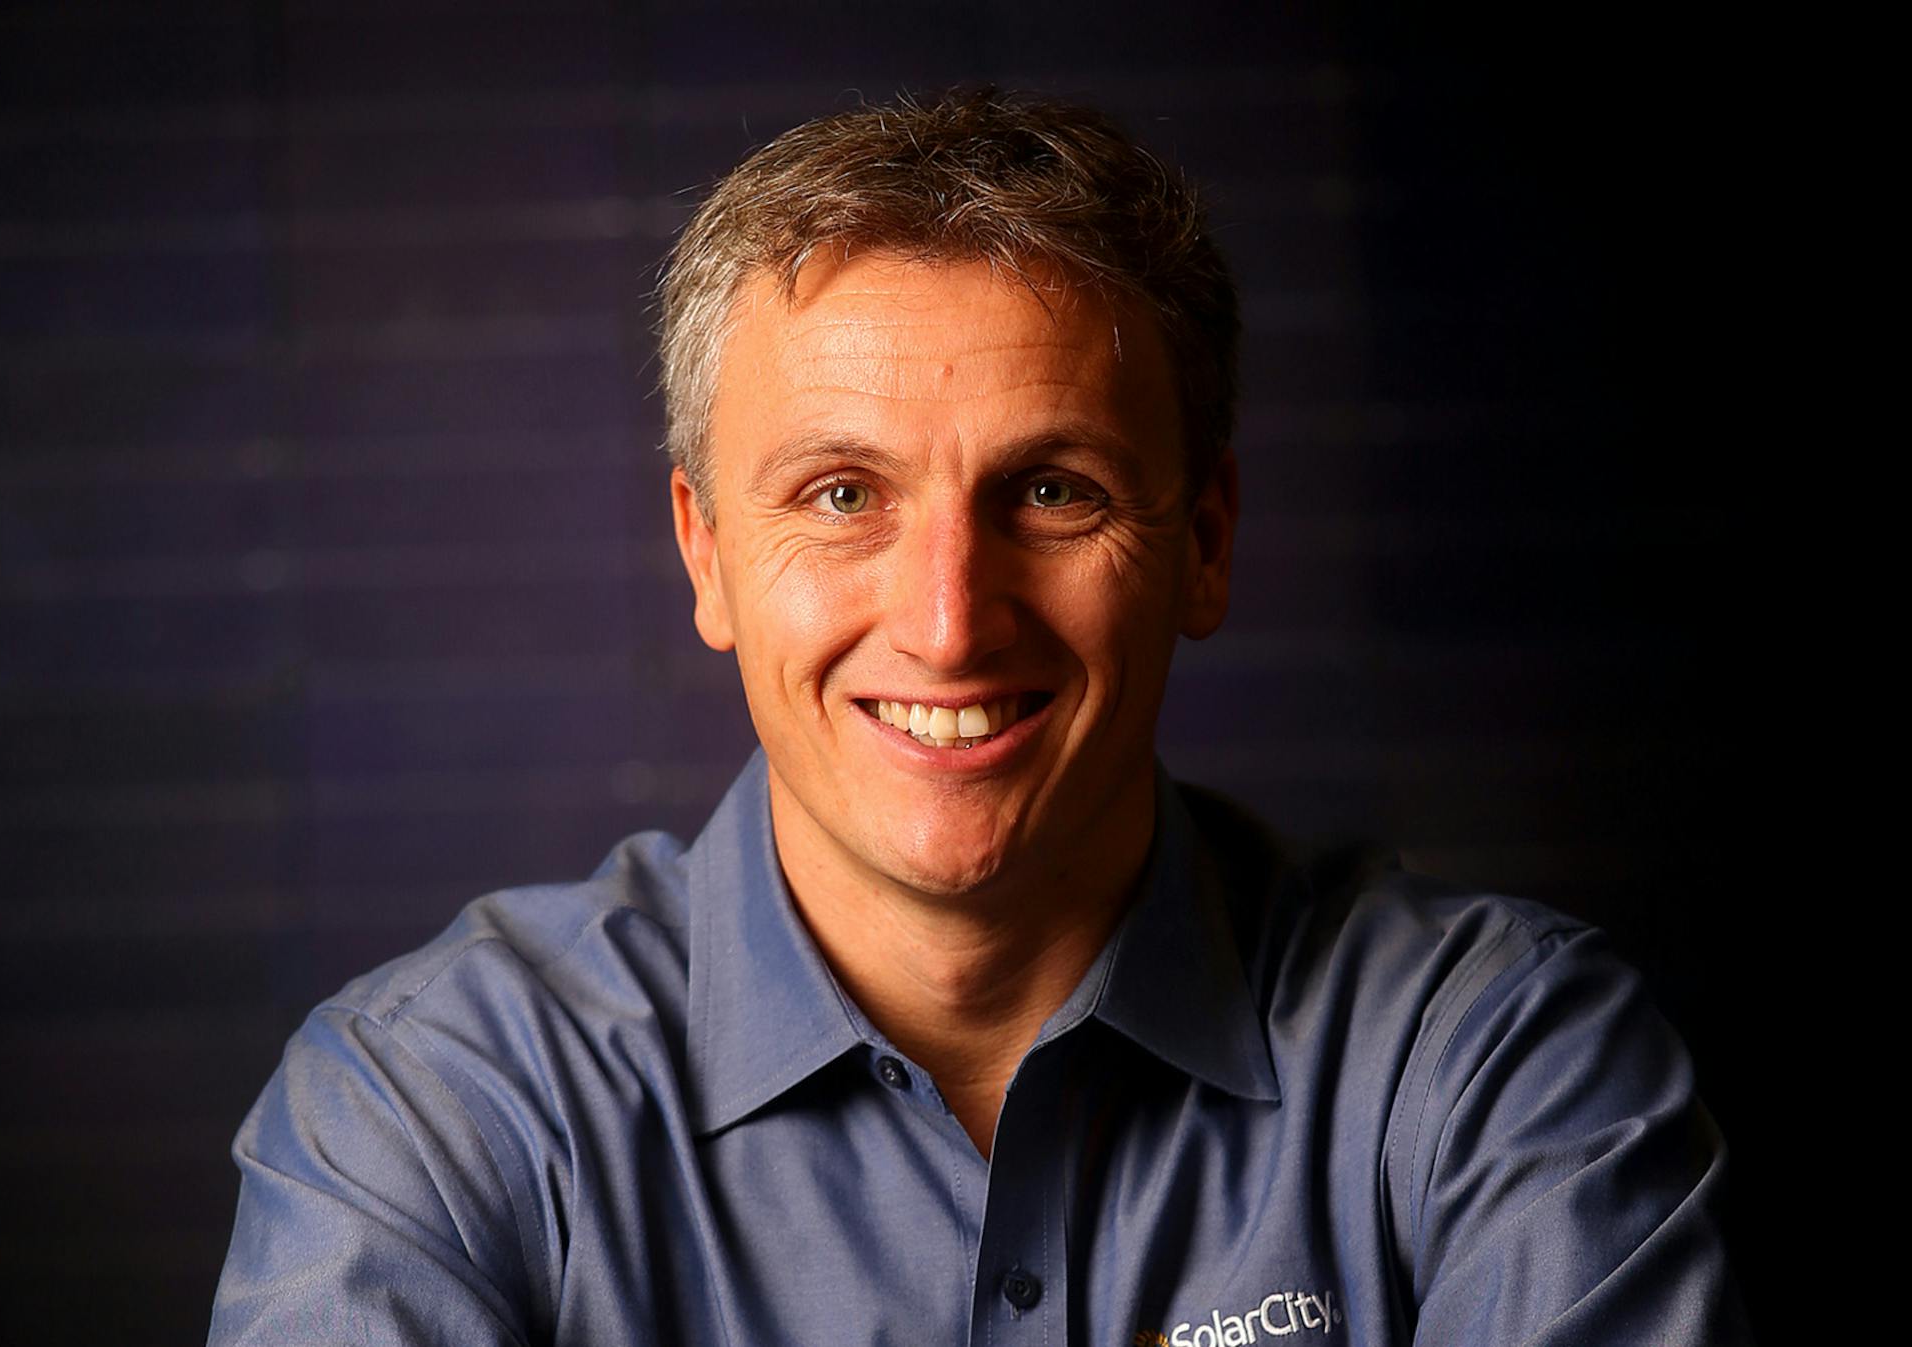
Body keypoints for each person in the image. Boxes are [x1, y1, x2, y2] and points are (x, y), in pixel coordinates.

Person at [209, 89, 1748, 1346]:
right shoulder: (430, 1112)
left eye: (1054, 490)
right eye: (841, 495)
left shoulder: (1496, 1065)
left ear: (1206, 542)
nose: (949, 624)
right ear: (707, 554)